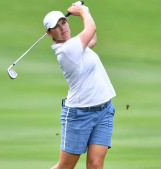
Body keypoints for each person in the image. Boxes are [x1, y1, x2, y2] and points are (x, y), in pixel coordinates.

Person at [43, 3, 116, 169]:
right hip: (79, 114)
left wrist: (87, 11)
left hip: (104, 109)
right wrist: (83, 11)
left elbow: (93, 37)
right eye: (56, 27)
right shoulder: (67, 51)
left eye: (64, 22)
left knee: (96, 165)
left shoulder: (76, 45)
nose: (62, 28)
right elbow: (91, 28)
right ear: (49, 33)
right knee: (65, 166)